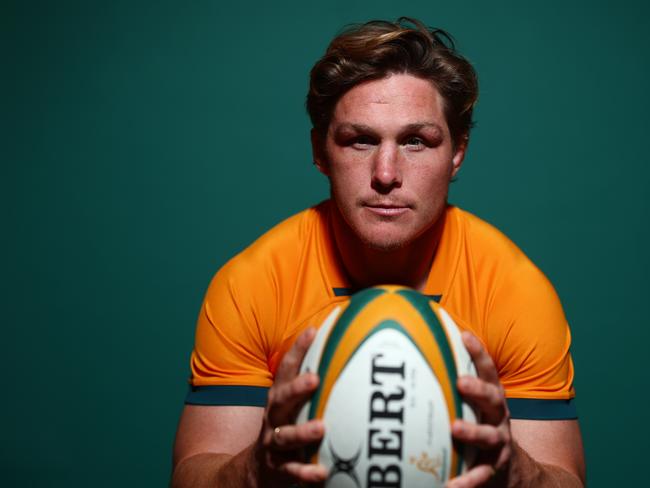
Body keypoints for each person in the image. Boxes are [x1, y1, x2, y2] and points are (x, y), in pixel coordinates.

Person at [171, 18, 585, 487]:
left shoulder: (515, 292)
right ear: (320, 151)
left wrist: (515, 472)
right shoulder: (252, 284)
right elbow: (194, 474)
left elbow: (563, 479)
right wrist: (254, 470)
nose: (386, 174)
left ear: (457, 153)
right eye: (360, 139)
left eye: (416, 141)